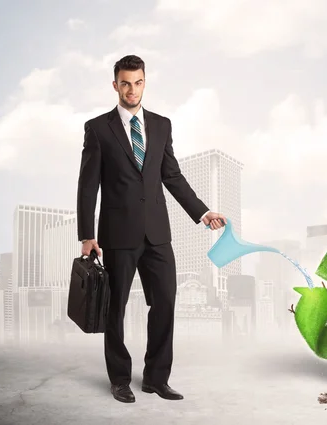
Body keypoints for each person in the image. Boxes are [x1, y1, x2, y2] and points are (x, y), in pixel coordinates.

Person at [76, 54, 226, 404]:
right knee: (115, 308)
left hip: (158, 233)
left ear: (145, 82)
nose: (132, 89)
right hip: (117, 235)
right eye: (125, 83)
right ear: (115, 85)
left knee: (166, 303)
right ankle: (119, 379)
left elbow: (170, 175)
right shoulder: (98, 128)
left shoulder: (161, 125)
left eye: (138, 82)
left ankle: (156, 378)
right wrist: (87, 235)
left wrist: (201, 211)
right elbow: (88, 186)